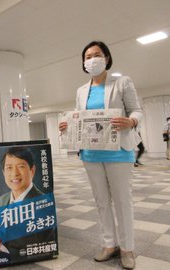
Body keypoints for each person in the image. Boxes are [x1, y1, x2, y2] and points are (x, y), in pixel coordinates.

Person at [59, 41, 142, 269]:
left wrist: (131, 120)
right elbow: (79, 116)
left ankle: (127, 248)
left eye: (97, 55)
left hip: (118, 152)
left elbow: (136, 110)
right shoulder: (81, 90)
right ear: (83, 63)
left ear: (106, 58)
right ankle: (109, 244)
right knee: (102, 202)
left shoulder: (122, 82)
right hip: (91, 153)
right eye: (87, 56)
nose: (92, 59)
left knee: (123, 202)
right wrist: (67, 126)